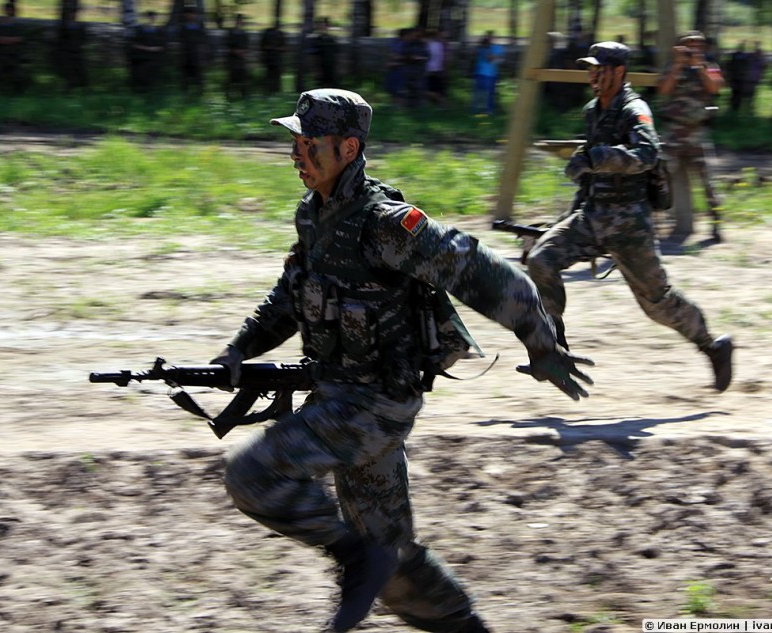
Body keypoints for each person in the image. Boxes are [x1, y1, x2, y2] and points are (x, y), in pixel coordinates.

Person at [209, 88, 594, 633]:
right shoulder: (314, 215)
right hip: (341, 400)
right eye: (293, 139)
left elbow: (482, 272)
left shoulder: (386, 223)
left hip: (375, 406)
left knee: (253, 476)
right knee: (393, 560)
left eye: (307, 141)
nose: (295, 151)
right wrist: (241, 348)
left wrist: (540, 339)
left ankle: (356, 559)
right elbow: (292, 294)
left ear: (347, 148)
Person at [524, 42, 733, 393]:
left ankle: (713, 346)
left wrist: (597, 157)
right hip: (592, 216)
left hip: (628, 224)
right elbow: (591, 173)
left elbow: (647, 153)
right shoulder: (594, 111)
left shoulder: (635, 109)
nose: (592, 75)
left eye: (598, 69)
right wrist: (570, 214)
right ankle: (553, 349)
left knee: (657, 304)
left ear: (619, 72)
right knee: (542, 260)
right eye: (589, 69)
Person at [657, 31, 725, 242]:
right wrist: (678, 66)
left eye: (698, 45)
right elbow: (664, 90)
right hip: (674, 132)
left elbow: (714, 87)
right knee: (659, 176)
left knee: (707, 181)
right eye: (689, 45)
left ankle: (716, 225)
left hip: (696, 132)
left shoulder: (709, 66)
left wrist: (700, 66)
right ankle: (653, 222)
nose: (694, 48)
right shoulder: (672, 66)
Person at [0, 1, 29, 95]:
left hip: (14, 54)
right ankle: (2, 93)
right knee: (1, 75)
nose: (9, 11)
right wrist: (9, 40)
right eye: (8, 9)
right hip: (2, 54)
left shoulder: (17, 25)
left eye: (11, 9)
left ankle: (17, 93)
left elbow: (20, 39)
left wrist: (5, 40)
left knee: (17, 76)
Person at [128, 10, 167, 93]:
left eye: (153, 17)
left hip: (154, 57)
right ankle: (140, 90)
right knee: (140, 74)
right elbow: (133, 43)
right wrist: (145, 48)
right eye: (150, 17)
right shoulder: (139, 29)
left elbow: (163, 45)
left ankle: (149, 92)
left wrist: (155, 49)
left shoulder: (159, 30)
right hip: (141, 57)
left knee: (151, 75)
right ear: (146, 18)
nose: (152, 19)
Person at [53, 4, 88, 90]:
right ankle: (69, 90)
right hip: (66, 53)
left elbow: (83, 39)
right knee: (69, 74)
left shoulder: (80, 26)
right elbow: (59, 40)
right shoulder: (63, 27)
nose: (73, 15)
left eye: (74, 13)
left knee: (81, 73)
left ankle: (81, 89)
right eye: (71, 13)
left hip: (77, 52)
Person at [471, 31, 504, 115]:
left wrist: (495, 57)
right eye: (488, 37)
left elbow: (499, 59)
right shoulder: (482, 48)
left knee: (489, 93)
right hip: (480, 73)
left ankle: (488, 110)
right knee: (479, 92)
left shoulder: (497, 47)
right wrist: (494, 57)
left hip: (490, 74)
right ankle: (478, 110)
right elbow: (492, 59)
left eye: (491, 37)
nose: (489, 39)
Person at [177, 4, 207, 95]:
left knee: (198, 78)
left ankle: (199, 94)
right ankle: (185, 95)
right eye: (188, 14)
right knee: (185, 78)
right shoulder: (182, 27)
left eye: (192, 13)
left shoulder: (199, 27)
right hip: (186, 55)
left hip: (197, 56)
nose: (190, 16)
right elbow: (180, 40)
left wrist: (204, 57)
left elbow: (203, 41)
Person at [224, 13, 250, 99]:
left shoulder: (244, 33)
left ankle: (243, 97)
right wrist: (235, 51)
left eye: (241, 20)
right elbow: (227, 45)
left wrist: (243, 52)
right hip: (232, 60)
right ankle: (229, 97)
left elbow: (247, 46)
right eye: (239, 20)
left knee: (242, 79)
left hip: (241, 60)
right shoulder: (230, 32)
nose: (240, 22)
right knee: (231, 79)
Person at [260, 20, 287, 94]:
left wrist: (275, 48)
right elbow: (263, 47)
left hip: (276, 59)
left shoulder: (280, 34)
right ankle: (268, 91)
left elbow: (284, 48)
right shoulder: (268, 33)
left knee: (276, 78)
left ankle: (275, 92)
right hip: (270, 59)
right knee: (269, 76)